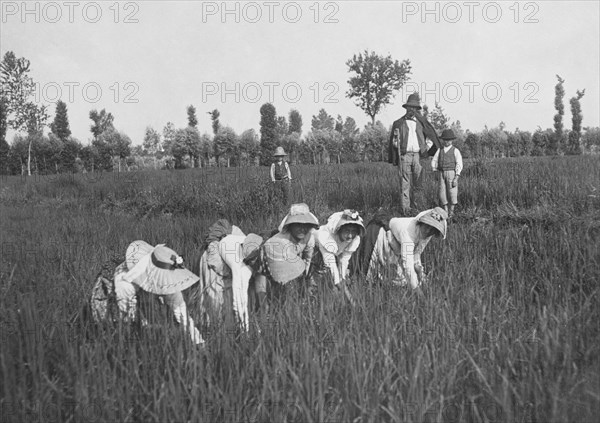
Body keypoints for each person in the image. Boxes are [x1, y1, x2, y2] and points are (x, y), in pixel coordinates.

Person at [90, 241, 204, 345]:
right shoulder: (125, 282)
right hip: (115, 296)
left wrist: (198, 341)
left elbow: (182, 312)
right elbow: (127, 317)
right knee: (117, 330)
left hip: (141, 294)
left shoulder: (168, 282)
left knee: (156, 319)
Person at [196, 226, 263, 333]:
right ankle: (215, 328)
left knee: (249, 293)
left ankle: (244, 325)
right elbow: (239, 300)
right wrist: (245, 331)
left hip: (231, 243)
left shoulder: (260, 249)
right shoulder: (241, 268)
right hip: (216, 254)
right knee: (217, 297)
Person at [253, 203, 319, 311]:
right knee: (266, 285)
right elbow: (282, 275)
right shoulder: (282, 242)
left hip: (289, 256)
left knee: (293, 286)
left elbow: (307, 259)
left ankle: (285, 307)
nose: (302, 229)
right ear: (290, 226)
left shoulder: (309, 237)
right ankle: (265, 312)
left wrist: (307, 279)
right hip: (268, 255)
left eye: (305, 225)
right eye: (297, 225)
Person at [364, 207, 448, 289]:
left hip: (396, 242)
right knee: (372, 275)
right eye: (427, 227)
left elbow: (417, 252)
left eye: (432, 230)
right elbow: (407, 264)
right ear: (422, 223)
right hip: (381, 235)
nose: (428, 231)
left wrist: (419, 271)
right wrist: (417, 290)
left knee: (402, 281)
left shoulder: (427, 235)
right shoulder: (409, 232)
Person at [388, 93, 442, 215]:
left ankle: (418, 210)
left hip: (418, 157)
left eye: (414, 108)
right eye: (410, 107)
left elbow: (430, 138)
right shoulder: (398, 123)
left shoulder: (422, 123)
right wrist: (396, 143)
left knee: (419, 184)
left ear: (417, 109)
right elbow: (394, 143)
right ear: (406, 108)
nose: (412, 110)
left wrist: (425, 150)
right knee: (404, 185)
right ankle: (405, 211)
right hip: (405, 156)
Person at [311, 210, 365, 303]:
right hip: (314, 253)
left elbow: (344, 260)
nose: (350, 235)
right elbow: (330, 262)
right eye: (347, 231)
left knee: (340, 281)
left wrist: (342, 277)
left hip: (332, 254)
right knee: (321, 279)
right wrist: (338, 282)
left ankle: (342, 304)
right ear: (339, 229)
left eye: (353, 231)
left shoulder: (353, 239)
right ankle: (314, 299)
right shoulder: (326, 236)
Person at [431, 129, 463, 219]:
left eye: (449, 140)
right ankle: (445, 211)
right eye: (445, 140)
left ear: (452, 140)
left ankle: (451, 213)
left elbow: (459, 163)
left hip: (451, 173)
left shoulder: (455, 150)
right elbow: (434, 160)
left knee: (452, 192)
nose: (447, 142)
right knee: (442, 192)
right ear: (443, 140)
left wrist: (456, 177)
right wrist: (435, 170)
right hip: (441, 173)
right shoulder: (440, 150)